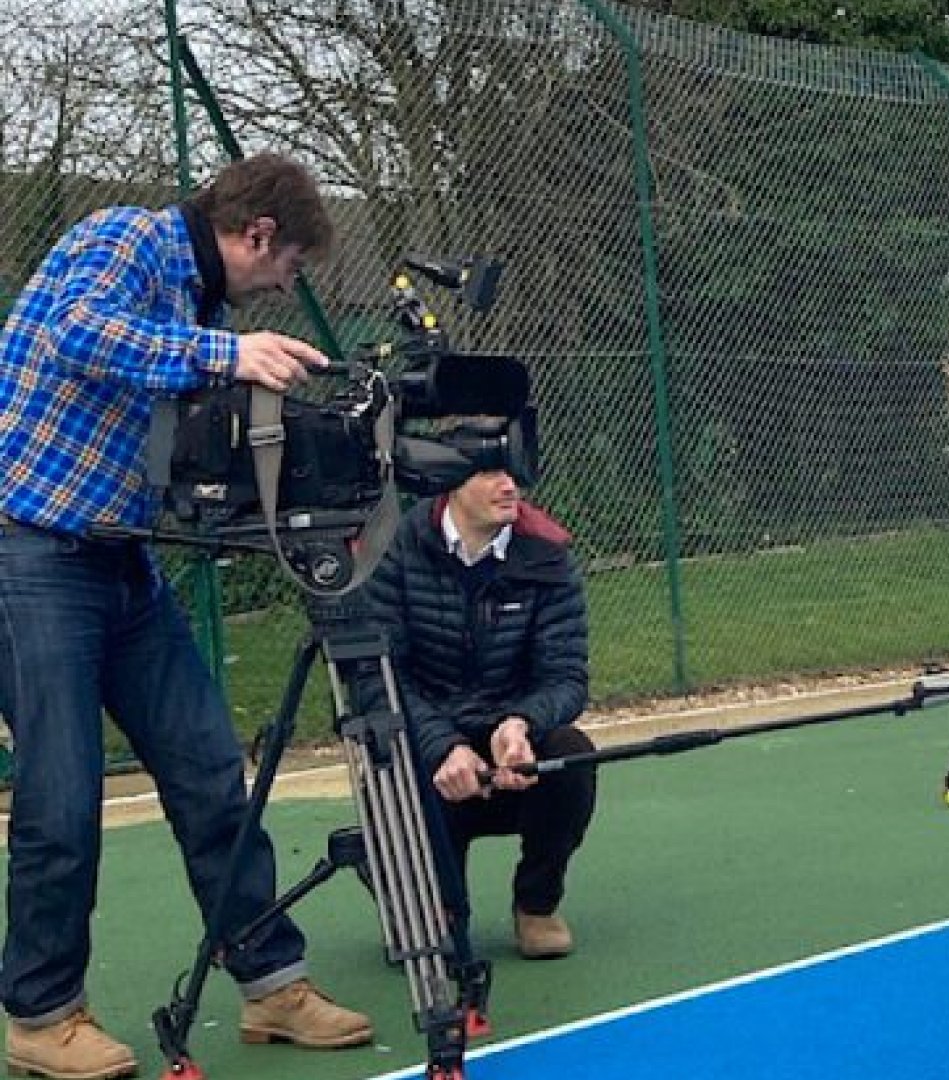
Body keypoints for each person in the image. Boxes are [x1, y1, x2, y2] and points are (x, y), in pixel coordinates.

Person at [0, 153, 374, 1079]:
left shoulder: (200, 305)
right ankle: (42, 1014)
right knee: (60, 794)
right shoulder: (123, 239)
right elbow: (80, 333)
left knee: (210, 766)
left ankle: (272, 983)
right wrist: (225, 355)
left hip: (118, 557)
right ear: (255, 237)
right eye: (288, 267)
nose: (285, 287)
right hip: (27, 551)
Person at [357, 463, 595, 961]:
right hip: (428, 753)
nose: (509, 486)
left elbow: (566, 677)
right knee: (441, 948)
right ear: (448, 481)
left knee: (572, 754)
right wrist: (444, 745)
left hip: (509, 758)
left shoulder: (548, 552)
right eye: (489, 473)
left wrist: (520, 725)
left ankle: (537, 903)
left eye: (513, 472)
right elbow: (376, 678)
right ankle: (427, 899)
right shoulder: (394, 548)